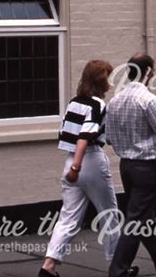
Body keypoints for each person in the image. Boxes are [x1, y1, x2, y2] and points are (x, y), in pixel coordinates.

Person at [39, 60, 120, 277]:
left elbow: (68, 134)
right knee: (109, 213)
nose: (111, 83)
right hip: (89, 160)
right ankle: (117, 266)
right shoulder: (98, 105)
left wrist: (72, 165)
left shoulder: (74, 103)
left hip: (69, 161)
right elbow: (85, 135)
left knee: (68, 217)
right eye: (108, 78)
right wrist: (77, 165)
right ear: (101, 81)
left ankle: (49, 265)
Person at [106, 54, 156, 277]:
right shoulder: (149, 100)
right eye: (152, 71)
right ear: (146, 72)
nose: (154, 75)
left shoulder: (115, 101)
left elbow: (109, 138)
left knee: (144, 218)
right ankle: (118, 269)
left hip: (126, 165)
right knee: (136, 218)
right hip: (146, 166)